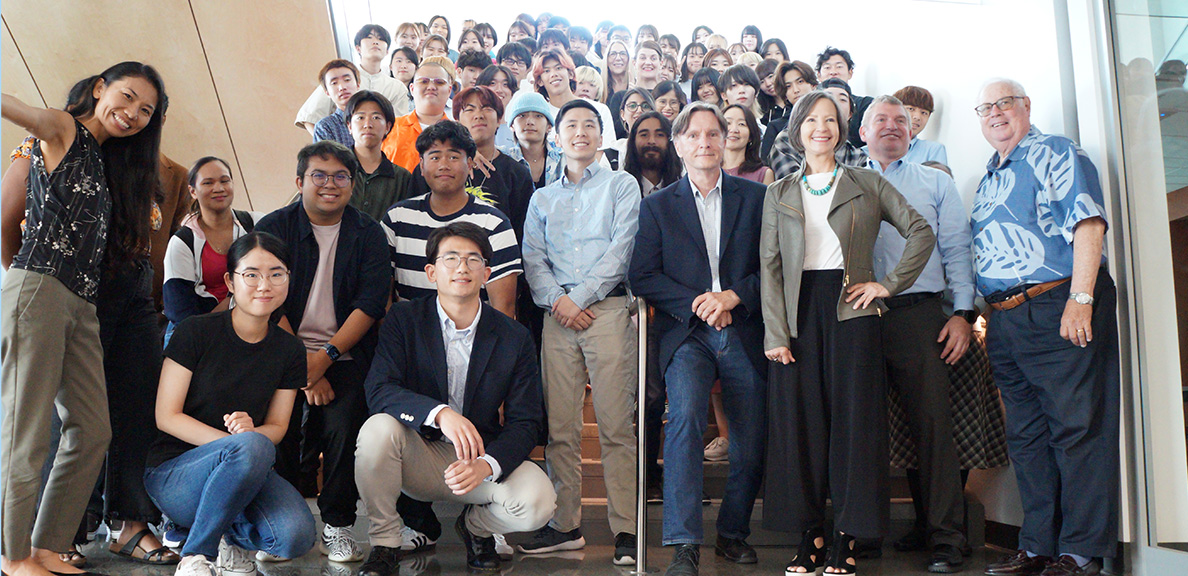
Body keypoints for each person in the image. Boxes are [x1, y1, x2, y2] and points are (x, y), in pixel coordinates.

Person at [759, 90, 934, 576]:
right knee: (801, 428)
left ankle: (846, 538)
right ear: (796, 131)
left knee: (855, 430)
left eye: (830, 119)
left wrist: (889, 285)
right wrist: (776, 332)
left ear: (841, 127)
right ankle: (809, 535)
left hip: (852, 313)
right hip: (797, 316)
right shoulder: (779, 191)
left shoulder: (866, 181)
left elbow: (920, 231)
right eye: (811, 120)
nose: (822, 127)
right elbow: (769, 268)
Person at [2, 61, 166, 576]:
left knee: (92, 430)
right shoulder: (64, 127)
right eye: (127, 97)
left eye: (146, 110)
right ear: (100, 88)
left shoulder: (104, 158)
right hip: (41, 288)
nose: (134, 113)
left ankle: (49, 545)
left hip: (82, 303)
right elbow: (20, 111)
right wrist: (25, 280)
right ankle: (13, 555)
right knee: (25, 435)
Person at [974, 79, 1119, 576]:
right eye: (986, 108)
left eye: (1004, 104)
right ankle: (1037, 548)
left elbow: (1088, 223)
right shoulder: (990, 176)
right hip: (1006, 318)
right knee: (1027, 438)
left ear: (1025, 108)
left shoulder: (1054, 152)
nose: (995, 113)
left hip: (1059, 302)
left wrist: (1082, 298)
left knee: (1076, 431)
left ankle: (1080, 555)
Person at [355, 222, 555, 576]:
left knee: (539, 501)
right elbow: (380, 389)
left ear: (487, 273)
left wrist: (487, 464)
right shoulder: (404, 319)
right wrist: (440, 413)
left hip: (478, 458)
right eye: (451, 258)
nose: (461, 267)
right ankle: (385, 544)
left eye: (472, 259)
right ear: (431, 272)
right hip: (418, 452)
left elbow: (527, 421)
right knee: (376, 429)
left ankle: (477, 530)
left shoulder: (513, 336)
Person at [628, 102, 768, 576]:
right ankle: (684, 541)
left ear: (727, 138)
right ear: (679, 144)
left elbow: (771, 269)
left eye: (714, 134)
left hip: (743, 327)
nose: (705, 143)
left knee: (750, 436)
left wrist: (731, 298)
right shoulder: (657, 205)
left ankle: (731, 532)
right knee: (685, 419)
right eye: (694, 135)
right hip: (686, 334)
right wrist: (701, 303)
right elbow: (642, 275)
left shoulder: (756, 199)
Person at [147, 232, 317, 576]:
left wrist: (249, 442)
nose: (263, 284)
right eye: (251, 274)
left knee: (295, 536)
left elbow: (279, 427)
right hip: (176, 473)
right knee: (251, 446)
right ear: (230, 281)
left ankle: (225, 536)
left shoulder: (290, 349)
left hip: (245, 468)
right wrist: (238, 445)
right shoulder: (195, 331)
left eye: (276, 273)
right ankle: (196, 555)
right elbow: (167, 417)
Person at [254, 141, 390, 566]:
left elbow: (369, 305)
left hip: (344, 354)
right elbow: (264, 298)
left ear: (353, 184)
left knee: (344, 424)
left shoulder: (368, 234)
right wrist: (305, 368)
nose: (330, 185)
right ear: (300, 182)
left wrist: (324, 358)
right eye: (319, 175)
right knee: (280, 431)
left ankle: (338, 525)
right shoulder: (274, 227)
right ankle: (280, 524)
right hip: (280, 352)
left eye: (341, 177)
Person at [518, 99, 641, 566]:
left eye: (590, 124)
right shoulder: (542, 197)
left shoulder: (621, 185)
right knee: (562, 429)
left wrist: (581, 297)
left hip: (605, 311)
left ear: (601, 134)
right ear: (557, 136)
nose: (580, 132)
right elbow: (533, 258)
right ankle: (565, 524)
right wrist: (559, 301)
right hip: (557, 316)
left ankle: (626, 528)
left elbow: (622, 247)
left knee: (614, 427)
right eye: (571, 125)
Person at [860, 95, 974, 574]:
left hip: (920, 316)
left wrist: (964, 313)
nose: (891, 127)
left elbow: (956, 248)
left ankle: (946, 536)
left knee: (932, 426)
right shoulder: (847, 181)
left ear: (913, 131)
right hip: (858, 317)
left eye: (900, 121)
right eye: (881, 120)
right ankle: (862, 531)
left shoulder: (935, 181)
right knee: (860, 428)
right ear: (861, 132)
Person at [383, 120, 522, 316]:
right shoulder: (396, 220)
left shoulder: (494, 223)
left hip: (475, 339)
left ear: (471, 164)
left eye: (454, 157)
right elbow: (383, 298)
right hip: (408, 339)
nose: (444, 165)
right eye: (435, 157)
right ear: (421, 166)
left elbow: (504, 309)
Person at [163, 157, 263, 343]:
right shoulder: (183, 241)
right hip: (199, 334)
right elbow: (179, 310)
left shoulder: (257, 224)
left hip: (252, 324)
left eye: (225, 181)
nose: (219, 188)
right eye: (208, 183)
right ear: (193, 191)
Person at [452, 86, 536, 240]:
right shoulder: (444, 168)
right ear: (457, 121)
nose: (478, 115)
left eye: (487, 108)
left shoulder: (516, 173)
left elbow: (523, 233)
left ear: (499, 121)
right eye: (470, 110)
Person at [295, 25, 411, 136]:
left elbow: (399, 127)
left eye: (381, 39)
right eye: (369, 37)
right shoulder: (342, 77)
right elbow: (309, 117)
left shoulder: (397, 87)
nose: (375, 42)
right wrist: (327, 145)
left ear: (387, 51)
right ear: (358, 48)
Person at [769, 78, 868, 180]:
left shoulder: (856, 155)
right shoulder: (786, 141)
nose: (834, 103)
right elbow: (790, 187)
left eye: (842, 99)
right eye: (812, 119)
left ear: (850, 114)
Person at [344, 90, 413, 220]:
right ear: (349, 126)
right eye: (360, 117)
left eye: (376, 117)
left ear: (388, 127)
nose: (368, 124)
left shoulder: (402, 178)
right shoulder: (336, 171)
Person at [531, 48, 616, 149]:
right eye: (546, 71)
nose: (553, 74)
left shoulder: (599, 110)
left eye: (558, 68)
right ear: (540, 81)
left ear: (570, 74)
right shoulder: (539, 116)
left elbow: (607, 153)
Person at [382, 57, 454, 172]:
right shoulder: (390, 128)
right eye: (424, 81)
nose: (431, 87)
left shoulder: (458, 134)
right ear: (412, 89)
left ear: (449, 90)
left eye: (439, 82)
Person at [501, 91, 563, 189]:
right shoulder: (503, 158)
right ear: (512, 125)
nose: (530, 122)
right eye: (522, 116)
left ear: (549, 126)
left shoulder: (563, 158)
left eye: (538, 116)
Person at [815, 46, 873, 147]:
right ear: (819, 75)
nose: (833, 72)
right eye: (827, 67)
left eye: (839, 66)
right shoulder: (810, 105)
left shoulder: (866, 104)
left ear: (850, 72)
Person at [762, 60, 818, 159]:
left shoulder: (828, 119)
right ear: (785, 95)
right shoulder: (776, 128)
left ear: (813, 85)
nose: (796, 90)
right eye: (788, 86)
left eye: (800, 82)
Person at [623, 111, 682, 196]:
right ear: (633, 141)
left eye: (659, 135)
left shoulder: (682, 189)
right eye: (644, 135)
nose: (651, 141)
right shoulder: (621, 188)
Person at [893, 86, 949, 165]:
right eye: (911, 109)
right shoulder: (876, 145)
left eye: (924, 113)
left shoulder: (933, 150)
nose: (917, 117)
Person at [312, 59, 361, 146]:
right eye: (334, 83)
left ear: (358, 84)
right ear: (327, 92)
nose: (342, 87)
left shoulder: (375, 118)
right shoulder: (325, 127)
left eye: (347, 80)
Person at [722, 104, 774, 184]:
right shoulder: (708, 170)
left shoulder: (763, 174)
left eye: (741, 124)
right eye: (728, 123)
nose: (734, 129)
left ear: (751, 135)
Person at [611, 87, 656, 166]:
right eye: (632, 106)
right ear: (622, 114)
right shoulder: (613, 153)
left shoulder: (664, 149)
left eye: (645, 106)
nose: (639, 110)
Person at [476, 65, 520, 147]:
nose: (499, 90)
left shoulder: (517, 132)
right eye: (493, 83)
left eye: (505, 84)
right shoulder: (473, 127)